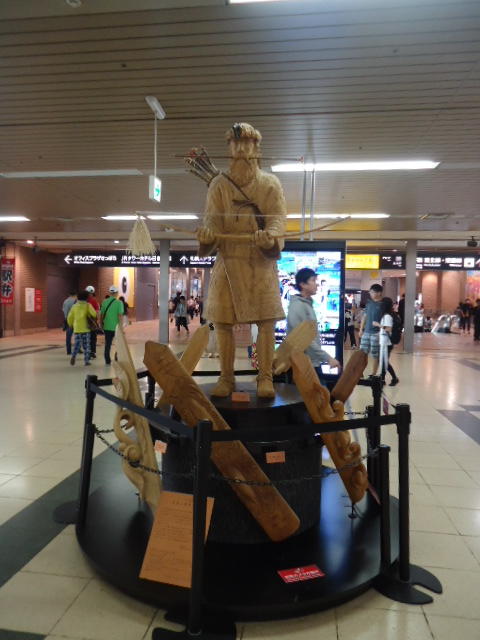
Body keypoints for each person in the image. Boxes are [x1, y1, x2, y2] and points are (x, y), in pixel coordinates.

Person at [197, 122, 286, 398]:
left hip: (259, 262)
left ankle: (265, 376)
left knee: (266, 322)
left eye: (246, 143)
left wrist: (269, 238)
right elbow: (212, 221)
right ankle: (226, 377)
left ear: (256, 148)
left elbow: (277, 219)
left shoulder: (270, 183)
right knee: (223, 322)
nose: (240, 149)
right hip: (228, 259)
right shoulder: (219, 185)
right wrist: (207, 234)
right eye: (235, 144)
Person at [287, 268, 341, 383]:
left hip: (310, 362)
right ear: (302, 284)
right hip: (301, 364)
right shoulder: (297, 306)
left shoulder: (307, 304)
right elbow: (302, 338)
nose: (317, 284)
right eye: (313, 280)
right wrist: (327, 358)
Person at [373, 296, 399, 386]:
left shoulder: (387, 316)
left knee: (384, 362)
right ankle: (383, 379)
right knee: (383, 361)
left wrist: (378, 325)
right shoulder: (386, 315)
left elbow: (388, 329)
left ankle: (394, 378)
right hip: (384, 341)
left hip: (387, 342)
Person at [359, 283, 383, 376]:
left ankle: (373, 373)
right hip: (366, 332)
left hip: (376, 333)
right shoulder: (369, 303)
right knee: (362, 353)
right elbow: (364, 317)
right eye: (370, 292)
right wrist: (361, 329)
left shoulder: (383, 305)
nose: (370, 294)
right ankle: (360, 371)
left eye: (372, 292)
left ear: (379, 293)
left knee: (375, 354)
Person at [67, 290, 97, 366]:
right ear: (86, 298)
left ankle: (73, 356)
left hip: (77, 328)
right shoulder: (88, 305)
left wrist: (70, 324)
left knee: (77, 344)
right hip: (86, 329)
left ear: (78, 297)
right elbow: (94, 314)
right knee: (86, 346)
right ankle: (86, 361)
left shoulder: (74, 306)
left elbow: (70, 317)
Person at [100, 286, 124, 365]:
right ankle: (117, 357)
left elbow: (101, 315)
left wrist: (101, 324)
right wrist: (121, 327)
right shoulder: (119, 303)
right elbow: (120, 316)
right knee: (119, 343)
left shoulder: (104, 302)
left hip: (107, 326)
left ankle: (107, 360)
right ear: (116, 293)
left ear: (110, 292)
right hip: (116, 327)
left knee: (108, 344)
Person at [85, 285, 100, 358]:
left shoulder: (84, 300)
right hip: (92, 322)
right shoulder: (94, 301)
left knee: (88, 338)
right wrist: (97, 321)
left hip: (85, 322)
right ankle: (92, 352)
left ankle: (89, 352)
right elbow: (97, 311)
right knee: (93, 338)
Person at [62, 291, 77, 355]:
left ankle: (68, 351)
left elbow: (64, 311)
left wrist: (66, 318)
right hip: (76, 321)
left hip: (68, 320)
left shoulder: (65, 301)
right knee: (77, 336)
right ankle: (78, 349)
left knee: (68, 336)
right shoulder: (76, 301)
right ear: (75, 295)